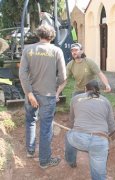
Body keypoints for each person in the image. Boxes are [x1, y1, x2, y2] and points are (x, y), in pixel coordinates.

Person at [19, 24, 67, 168]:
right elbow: (63, 76)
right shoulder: (57, 51)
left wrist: (29, 93)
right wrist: (54, 85)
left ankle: (30, 150)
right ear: (51, 36)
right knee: (46, 127)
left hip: (31, 94)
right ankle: (44, 161)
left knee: (31, 121)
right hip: (48, 95)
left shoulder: (28, 50)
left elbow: (22, 74)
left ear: (38, 35)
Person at [65, 80, 115, 180]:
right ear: (98, 91)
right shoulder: (106, 101)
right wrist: (107, 136)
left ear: (85, 89)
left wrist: (72, 129)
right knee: (99, 173)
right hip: (100, 141)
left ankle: (71, 161)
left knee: (68, 135)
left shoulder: (76, 98)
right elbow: (112, 127)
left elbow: (71, 121)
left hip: (79, 138)